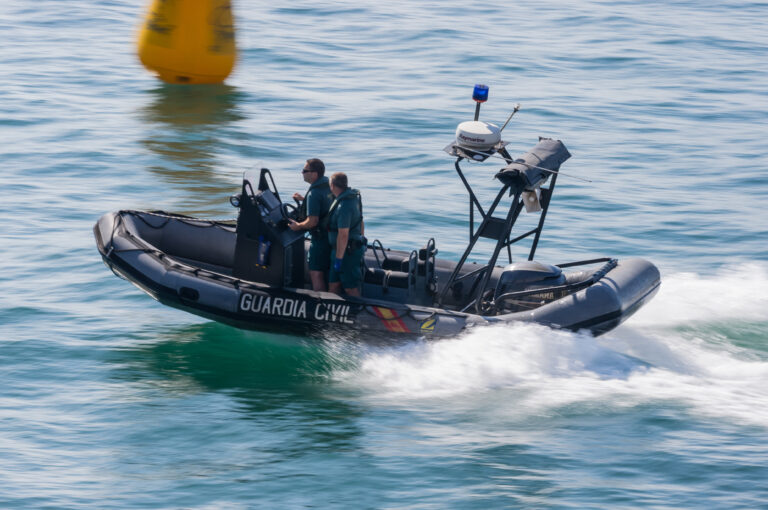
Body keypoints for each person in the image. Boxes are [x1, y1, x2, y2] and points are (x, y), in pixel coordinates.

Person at [288, 158, 334, 291]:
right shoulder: (329, 185)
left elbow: (312, 221)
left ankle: (321, 304)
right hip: (332, 235)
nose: (302, 173)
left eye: (304, 171)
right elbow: (326, 204)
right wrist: (304, 200)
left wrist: (298, 226)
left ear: (314, 174)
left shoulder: (313, 193)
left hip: (320, 240)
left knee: (316, 273)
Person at [326, 172, 365, 297]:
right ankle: (331, 313)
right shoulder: (352, 198)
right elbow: (361, 221)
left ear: (332, 185)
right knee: (333, 284)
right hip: (338, 250)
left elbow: (343, 235)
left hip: (346, 252)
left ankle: (357, 314)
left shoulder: (344, 206)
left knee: (350, 288)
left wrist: (339, 258)